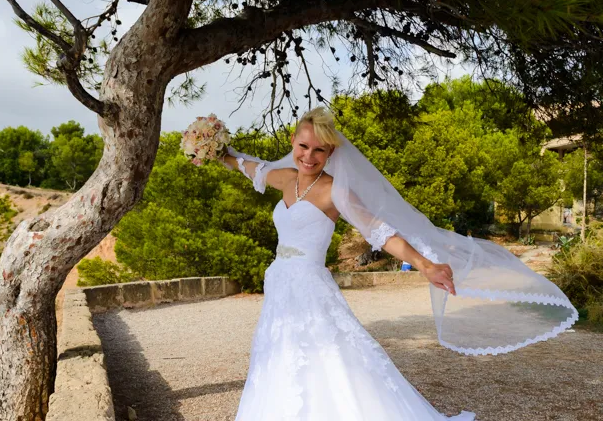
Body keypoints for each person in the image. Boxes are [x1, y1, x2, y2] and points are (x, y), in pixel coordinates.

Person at [218, 107, 577, 420]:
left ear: (331, 153)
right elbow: (251, 167)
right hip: (279, 283)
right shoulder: (285, 179)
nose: (309, 157)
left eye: (319, 150)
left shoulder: (335, 191)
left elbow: (380, 232)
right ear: (293, 142)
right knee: (278, 351)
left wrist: (424, 265)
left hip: (310, 285)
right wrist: (218, 151)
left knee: (330, 353)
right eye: (303, 146)